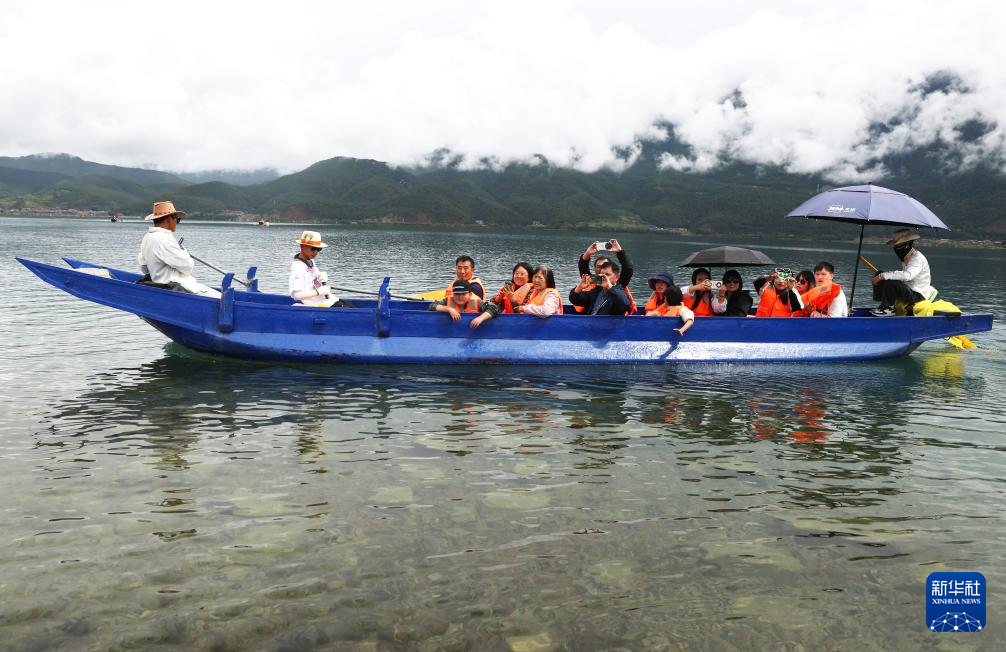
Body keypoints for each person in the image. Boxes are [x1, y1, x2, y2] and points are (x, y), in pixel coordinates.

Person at [137, 201, 221, 298]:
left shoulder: (147, 237)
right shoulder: (166, 239)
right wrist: (183, 250)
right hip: (177, 287)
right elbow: (188, 267)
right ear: (168, 219)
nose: (177, 223)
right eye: (177, 219)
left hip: (160, 285)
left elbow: (144, 268)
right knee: (221, 297)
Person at [870, 229, 938, 316]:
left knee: (890, 282)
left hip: (918, 295)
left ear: (907, 244)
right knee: (879, 274)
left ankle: (889, 309)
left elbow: (908, 276)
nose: (896, 248)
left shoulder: (917, 258)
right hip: (909, 289)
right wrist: (881, 275)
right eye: (896, 245)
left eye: (899, 245)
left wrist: (882, 276)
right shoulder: (906, 257)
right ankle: (884, 305)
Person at [289, 230, 351, 307]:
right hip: (319, 305)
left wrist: (319, 276)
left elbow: (313, 279)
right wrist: (319, 291)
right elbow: (297, 295)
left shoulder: (310, 261)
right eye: (313, 248)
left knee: (352, 307)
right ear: (302, 246)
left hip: (329, 300)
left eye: (319, 249)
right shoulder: (298, 267)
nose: (316, 252)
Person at [573, 239, 637, 313]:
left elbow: (628, 269)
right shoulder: (595, 280)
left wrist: (620, 251)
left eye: (605, 266)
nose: (602, 270)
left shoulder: (618, 284)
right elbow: (583, 268)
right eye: (599, 267)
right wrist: (588, 253)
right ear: (595, 269)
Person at [429, 279, 499, 328]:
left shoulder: (477, 302)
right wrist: (449, 309)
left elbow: (494, 308)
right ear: (453, 294)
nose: (460, 297)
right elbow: (432, 306)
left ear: (470, 294)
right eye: (457, 294)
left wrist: (481, 318)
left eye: (463, 294)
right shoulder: (448, 300)